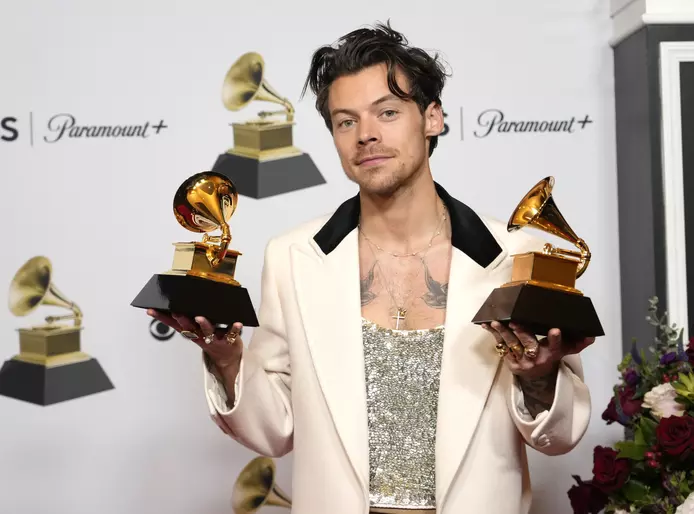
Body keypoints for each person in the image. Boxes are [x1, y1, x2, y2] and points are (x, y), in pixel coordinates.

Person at [148, 21, 594, 514]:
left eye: (387, 112)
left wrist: (539, 377)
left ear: (432, 118)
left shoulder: (514, 257)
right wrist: (228, 359)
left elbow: (560, 437)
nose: (366, 135)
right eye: (346, 121)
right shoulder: (293, 257)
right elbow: (275, 432)